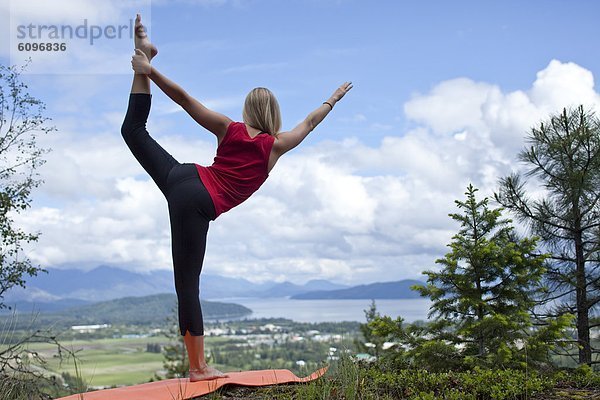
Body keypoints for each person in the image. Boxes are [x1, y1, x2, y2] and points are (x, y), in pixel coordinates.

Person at [121, 14, 352, 381]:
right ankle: (197, 368)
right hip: (197, 201)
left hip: (183, 175)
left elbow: (183, 99)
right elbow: (309, 123)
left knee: (132, 130)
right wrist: (332, 100)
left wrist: (148, 70)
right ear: (274, 114)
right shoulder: (276, 146)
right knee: (188, 285)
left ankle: (141, 56)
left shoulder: (228, 128)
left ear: (248, 110)